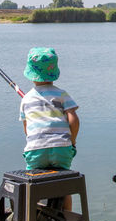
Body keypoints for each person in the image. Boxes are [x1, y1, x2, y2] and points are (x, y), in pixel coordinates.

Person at [20, 47, 79, 211]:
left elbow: (26, 128)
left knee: (35, 185)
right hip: (62, 149)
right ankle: (66, 219)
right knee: (64, 185)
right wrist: (72, 141)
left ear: (31, 74)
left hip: (35, 151)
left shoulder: (26, 99)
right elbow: (74, 119)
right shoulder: (61, 94)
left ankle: (37, 218)